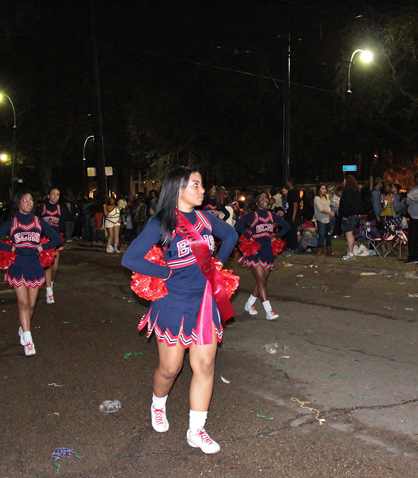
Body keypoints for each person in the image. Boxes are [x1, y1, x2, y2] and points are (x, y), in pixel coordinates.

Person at [121, 167, 237, 454]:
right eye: (196, 185)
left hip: (204, 300)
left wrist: (216, 266)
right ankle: (158, 404)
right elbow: (130, 258)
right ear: (178, 189)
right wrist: (164, 272)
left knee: (205, 365)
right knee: (171, 368)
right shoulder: (161, 222)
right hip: (173, 302)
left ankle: (196, 430)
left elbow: (232, 236)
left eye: (201, 185)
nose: (202, 190)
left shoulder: (207, 219)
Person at [0, 191, 62, 356]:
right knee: (22, 303)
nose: (29, 203)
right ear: (18, 203)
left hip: (34, 265)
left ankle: (24, 328)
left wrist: (42, 247)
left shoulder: (39, 222)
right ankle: (29, 341)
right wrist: (11, 247)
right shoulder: (12, 223)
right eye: (25, 200)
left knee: (31, 305)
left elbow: (57, 239)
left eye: (31, 200)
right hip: (18, 265)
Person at [235, 191, 291, 319]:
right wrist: (249, 236)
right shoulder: (253, 216)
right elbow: (238, 225)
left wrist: (275, 237)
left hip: (267, 250)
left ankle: (249, 304)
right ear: (257, 202)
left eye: (266, 198)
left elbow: (287, 226)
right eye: (262, 198)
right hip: (255, 250)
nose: (265, 200)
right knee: (261, 281)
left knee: (262, 280)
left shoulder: (272, 216)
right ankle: (268, 311)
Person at [39, 188, 66, 303]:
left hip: (56, 240)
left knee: (55, 267)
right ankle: (49, 292)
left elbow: (63, 224)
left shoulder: (61, 209)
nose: (55, 196)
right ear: (48, 195)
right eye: (53, 194)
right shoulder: (42, 208)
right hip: (45, 241)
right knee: (47, 266)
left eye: (58, 194)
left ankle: (51, 283)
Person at [339, 176, 365, 260]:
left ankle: (350, 253)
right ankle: (350, 251)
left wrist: (344, 215)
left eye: (344, 181)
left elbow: (345, 205)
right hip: (355, 215)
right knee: (351, 234)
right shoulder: (356, 192)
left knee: (348, 234)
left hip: (349, 215)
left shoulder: (347, 192)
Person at [313, 185, 335, 256]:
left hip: (329, 218)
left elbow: (330, 204)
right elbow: (320, 209)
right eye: (322, 189)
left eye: (325, 189)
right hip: (321, 219)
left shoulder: (327, 197)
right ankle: (320, 249)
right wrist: (329, 212)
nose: (324, 190)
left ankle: (329, 249)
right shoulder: (317, 198)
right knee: (322, 234)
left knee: (329, 234)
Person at [285, 181, 301, 251]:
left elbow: (295, 205)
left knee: (293, 231)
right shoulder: (289, 192)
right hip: (288, 214)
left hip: (292, 214)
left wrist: (293, 216)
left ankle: (293, 246)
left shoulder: (294, 192)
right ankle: (289, 245)